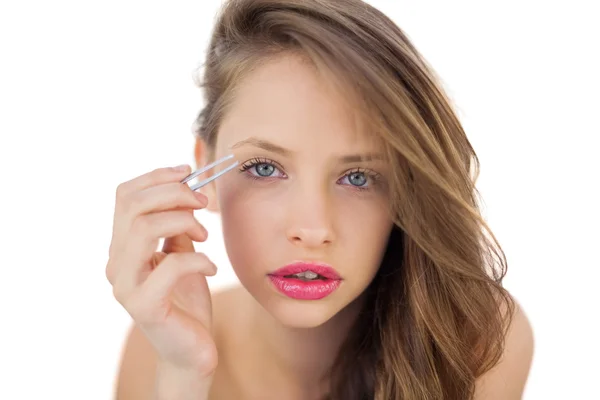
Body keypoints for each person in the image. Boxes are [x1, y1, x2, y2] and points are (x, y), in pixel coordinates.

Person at [105, 0, 534, 398]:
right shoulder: (160, 344)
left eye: (359, 176)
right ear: (206, 173)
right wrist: (183, 375)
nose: (312, 230)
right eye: (264, 168)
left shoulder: (476, 341)